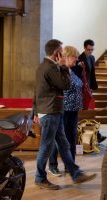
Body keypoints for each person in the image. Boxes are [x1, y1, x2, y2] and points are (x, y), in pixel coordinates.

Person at [33, 39, 96, 190]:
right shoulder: (51, 68)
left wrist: (35, 111)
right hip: (50, 112)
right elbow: (65, 85)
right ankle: (40, 177)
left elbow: (36, 92)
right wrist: (62, 66)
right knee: (46, 146)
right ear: (57, 53)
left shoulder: (43, 66)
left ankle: (75, 173)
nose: (62, 53)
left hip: (52, 111)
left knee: (64, 143)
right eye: (61, 50)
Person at [48, 46, 83, 177]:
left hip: (73, 110)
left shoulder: (71, 71)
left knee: (71, 138)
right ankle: (52, 166)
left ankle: (71, 167)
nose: (77, 59)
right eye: (75, 57)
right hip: (62, 110)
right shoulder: (57, 70)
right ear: (67, 56)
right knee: (58, 140)